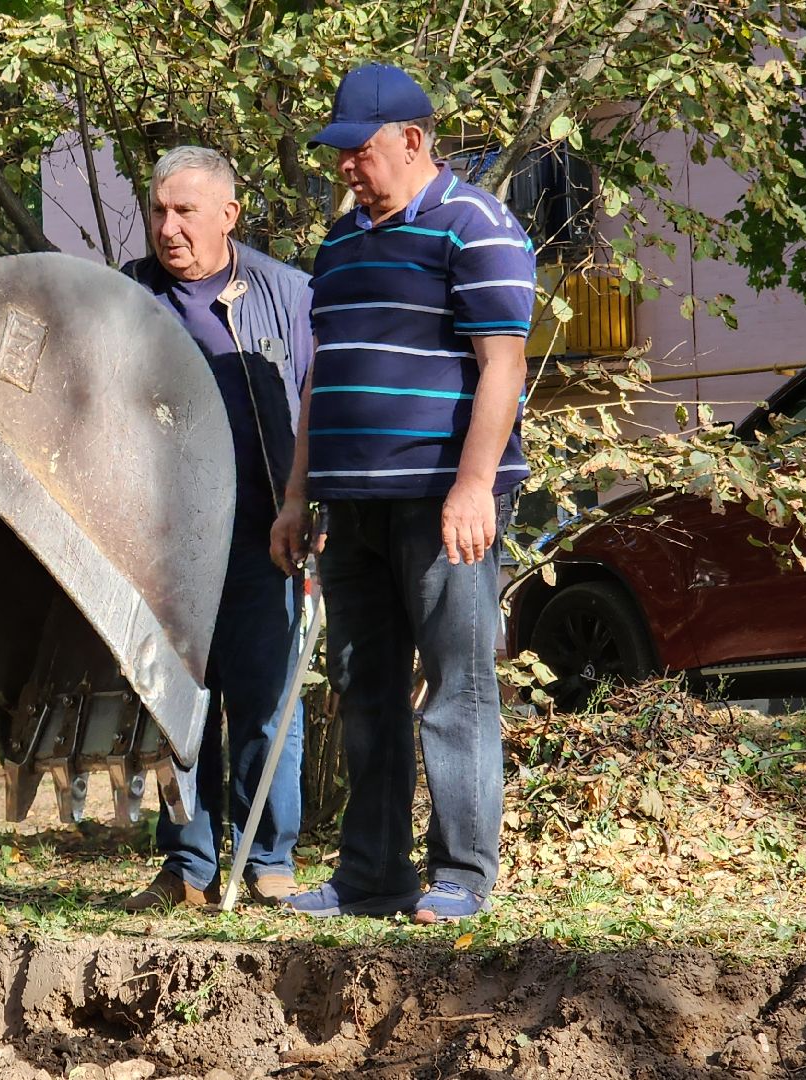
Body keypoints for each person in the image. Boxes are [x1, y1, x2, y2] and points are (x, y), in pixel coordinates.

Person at [271, 63, 535, 922]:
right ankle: (370, 876)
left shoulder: (478, 228)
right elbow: (323, 381)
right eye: (339, 152)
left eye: (359, 150)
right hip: (350, 510)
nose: (346, 166)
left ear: (412, 141)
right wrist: (296, 496)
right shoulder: (340, 244)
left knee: (456, 685)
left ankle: (461, 875)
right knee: (364, 685)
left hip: (440, 504)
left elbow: (504, 365)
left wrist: (472, 486)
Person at [120, 145, 315, 910]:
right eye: (159, 211)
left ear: (228, 215)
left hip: (267, 533)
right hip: (163, 546)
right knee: (178, 708)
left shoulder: (287, 294)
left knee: (268, 703)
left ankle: (269, 863)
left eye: (186, 212)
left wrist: (315, 505)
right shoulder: (125, 295)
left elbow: (316, 404)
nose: (168, 228)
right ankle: (188, 866)